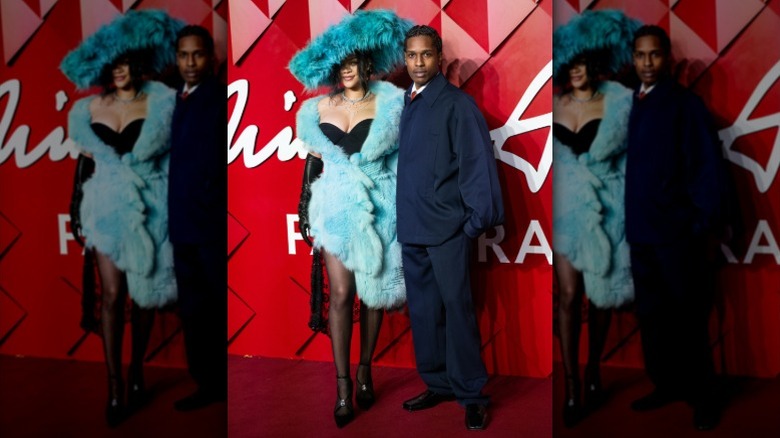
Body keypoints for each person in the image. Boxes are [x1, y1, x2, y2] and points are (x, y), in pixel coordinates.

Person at [288, 10, 410, 428]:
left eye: (354, 63)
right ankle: (342, 387)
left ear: (366, 65)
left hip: (380, 203)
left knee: (373, 293)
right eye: (341, 65)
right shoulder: (316, 109)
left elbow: (401, 159)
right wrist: (305, 210)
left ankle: (364, 370)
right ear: (335, 70)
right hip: (336, 206)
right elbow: (312, 166)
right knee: (340, 295)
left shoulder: (391, 101)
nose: (348, 70)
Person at [61, 10, 181, 428]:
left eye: (125, 63)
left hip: (152, 203)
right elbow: (84, 167)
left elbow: (171, 156)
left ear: (137, 64)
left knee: (143, 294)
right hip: (107, 207)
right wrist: (77, 209)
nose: (120, 71)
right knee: (112, 297)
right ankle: (115, 386)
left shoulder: (162, 100)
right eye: (113, 66)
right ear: (105, 70)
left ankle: (136, 373)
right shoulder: (87, 110)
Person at [395, 25, 504, 431]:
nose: (418, 62)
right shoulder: (408, 102)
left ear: (438, 59)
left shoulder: (458, 105)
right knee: (424, 313)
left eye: (426, 55)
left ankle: (471, 393)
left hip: (447, 230)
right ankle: (439, 383)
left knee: (458, 311)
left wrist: (472, 224)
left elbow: (477, 163)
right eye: (411, 55)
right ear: (405, 59)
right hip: (412, 228)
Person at [625, 25, 725, 431]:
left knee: (689, 319)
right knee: (651, 317)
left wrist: (700, 224)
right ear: (632, 60)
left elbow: (706, 167)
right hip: (640, 233)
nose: (647, 63)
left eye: (655, 55)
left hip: (677, 236)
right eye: (640, 55)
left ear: (668, 59)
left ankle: (704, 397)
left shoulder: (686, 105)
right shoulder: (629, 104)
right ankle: (665, 385)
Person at [551, 10, 638, 427]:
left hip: (610, 205)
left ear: (594, 65)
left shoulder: (619, 100)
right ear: (566, 67)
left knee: (600, 295)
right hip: (568, 208)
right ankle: (570, 386)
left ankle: (593, 371)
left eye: (585, 63)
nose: (579, 70)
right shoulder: (553, 106)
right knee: (569, 296)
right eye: (573, 64)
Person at [168, 25, 228, 411]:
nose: (191, 62)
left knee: (214, 310)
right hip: (180, 225)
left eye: (198, 54)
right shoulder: (175, 99)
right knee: (192, 311)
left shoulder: (217, 98)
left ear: (211, 57)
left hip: (208, 227)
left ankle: (220, 384)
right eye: (184, 55)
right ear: (177, 59)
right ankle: (205, 383)